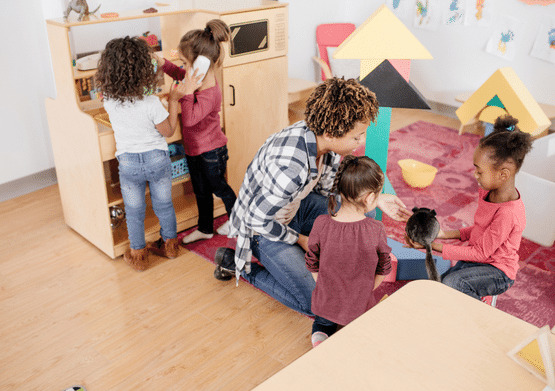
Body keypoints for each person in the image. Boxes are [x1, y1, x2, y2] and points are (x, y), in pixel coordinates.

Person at [213, 77, 411, 316]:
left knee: (356, 213)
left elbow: (327, 191)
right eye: (356, 137)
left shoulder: (325, 143)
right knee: (317, 305)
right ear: (330, 133)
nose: (361, 143)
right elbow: (257, 220)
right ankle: (239, 266)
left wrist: (375, 199)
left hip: (297, 206)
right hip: (263, 230)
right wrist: (300, 239)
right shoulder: (291, 169)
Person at [406, 115, 533, 300]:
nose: (475, 175)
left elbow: (481, 253)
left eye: (480, 171)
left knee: (454, 284)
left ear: (503, 174)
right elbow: (480, 231)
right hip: (479, 260)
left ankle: (476, 313)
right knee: (443, 285)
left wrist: (433, 246)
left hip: (498, 272)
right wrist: (443, 234)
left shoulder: (508, 214)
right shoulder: (488, 193)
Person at [95, 36, 181, 271]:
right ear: (144, 69)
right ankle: (171, 246)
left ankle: (139, 255)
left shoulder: (110, 102)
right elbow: (169, 131)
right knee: (164, 204)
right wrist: (173, 101)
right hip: (156, 159)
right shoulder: (151, 102)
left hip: (129, 163)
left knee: (134, 211)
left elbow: (108, 96)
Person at [158, 19, 237, 244]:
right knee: (200, 191)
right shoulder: (193, 79)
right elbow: (176, 73)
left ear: (200, 63)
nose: (182, 67)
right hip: (194, 149)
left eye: (185, 62)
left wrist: (187, 93)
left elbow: (190, 119)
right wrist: (162, 62)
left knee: (219, 187)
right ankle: (205, 228)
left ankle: (237, 221)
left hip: (212, 150)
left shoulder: (209, 91)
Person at [306, 155, 392, 347]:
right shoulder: (376, 229)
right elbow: (384, 268)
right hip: (359, 307)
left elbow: (311, 261)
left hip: (325, 304)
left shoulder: (321, 224)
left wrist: (323, 285)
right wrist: (366, 289)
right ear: (370, 198)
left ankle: (320, 336)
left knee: (321, 323)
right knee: (363, 329)